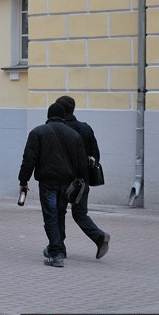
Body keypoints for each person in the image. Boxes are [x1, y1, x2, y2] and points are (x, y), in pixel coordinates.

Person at [18, 103, 87, 268]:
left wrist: (23, 181)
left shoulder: (38, 132)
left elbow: (29, 159)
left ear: (48, 115)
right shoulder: (74, 135)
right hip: (67, 182)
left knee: (50, 217)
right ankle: (59, 247)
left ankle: (56, 253)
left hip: (47, 182)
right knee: (60, 215)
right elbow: (81, 163)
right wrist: (80, 183)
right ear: (64, 116)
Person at [56, 95, 111, 259]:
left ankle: (58, 247)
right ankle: (99, 236)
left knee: (58, 212)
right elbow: (96, 154)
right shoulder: (85, 128)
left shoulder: (59, 129)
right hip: (83, 180)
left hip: (64, 178)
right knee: (79, 213)